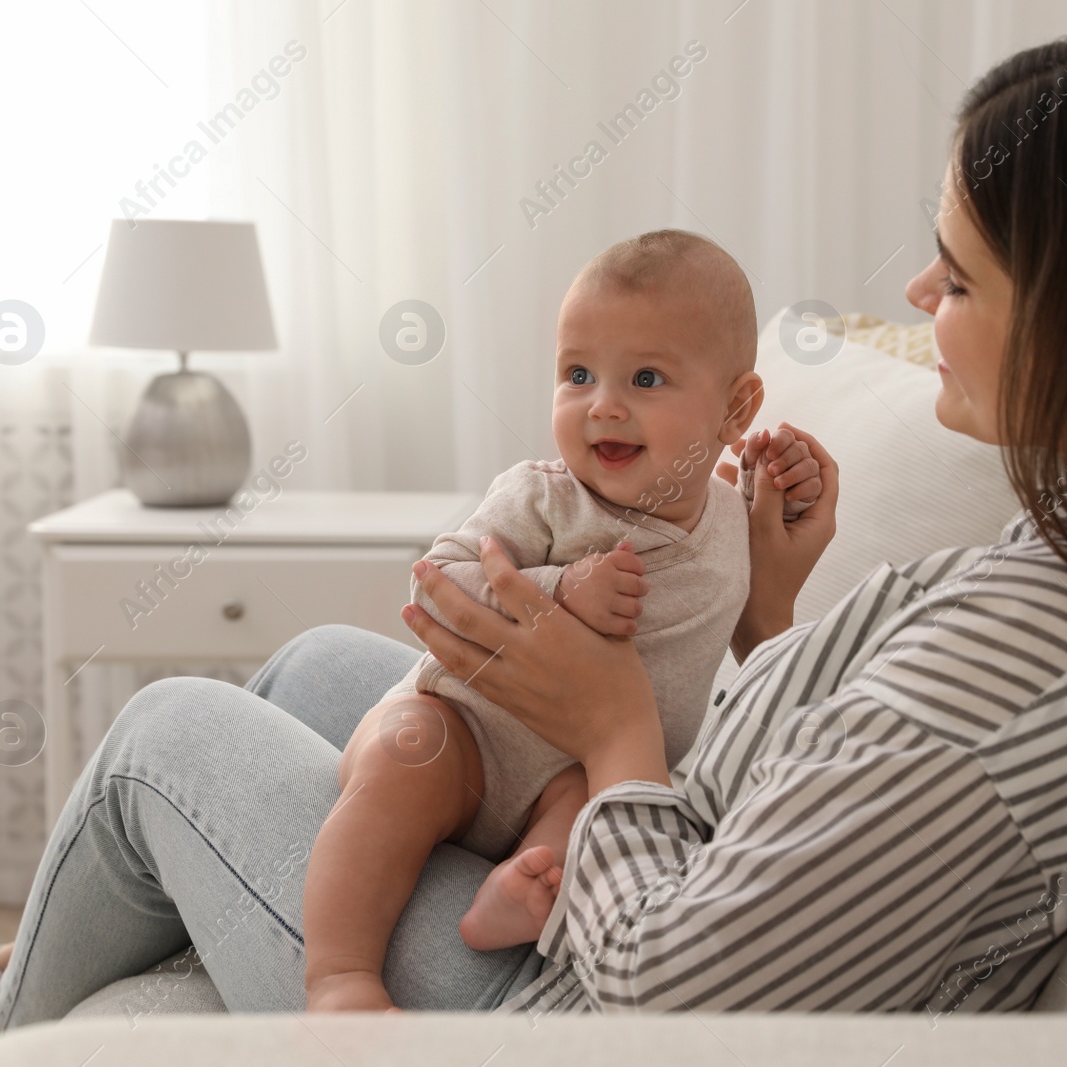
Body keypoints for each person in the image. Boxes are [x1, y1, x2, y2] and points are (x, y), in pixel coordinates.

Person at [0, 26, 1067, 1031]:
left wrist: (604, 727)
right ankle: (92, 947)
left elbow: (685, 987)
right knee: (331, 663)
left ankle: (26, 1001)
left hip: (570, 1003)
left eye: (963, 277)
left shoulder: (1040, 662)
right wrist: (778, 607)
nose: (922, 302)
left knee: (165, 731)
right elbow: (845, 783)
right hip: (643, 861)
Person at [305, 230, 821, 1013]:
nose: (603, 404)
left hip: (578, 779)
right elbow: (440, 576)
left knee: (598, 803)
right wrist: (556, 587)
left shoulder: (733, 523)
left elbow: (767, 650)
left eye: (646, 377)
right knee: (400, 756)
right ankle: (339, 974)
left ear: (737, 408)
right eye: (577, 374)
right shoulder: (546, 496)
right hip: (463, 740)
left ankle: (522, 885)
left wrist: (792, 480)